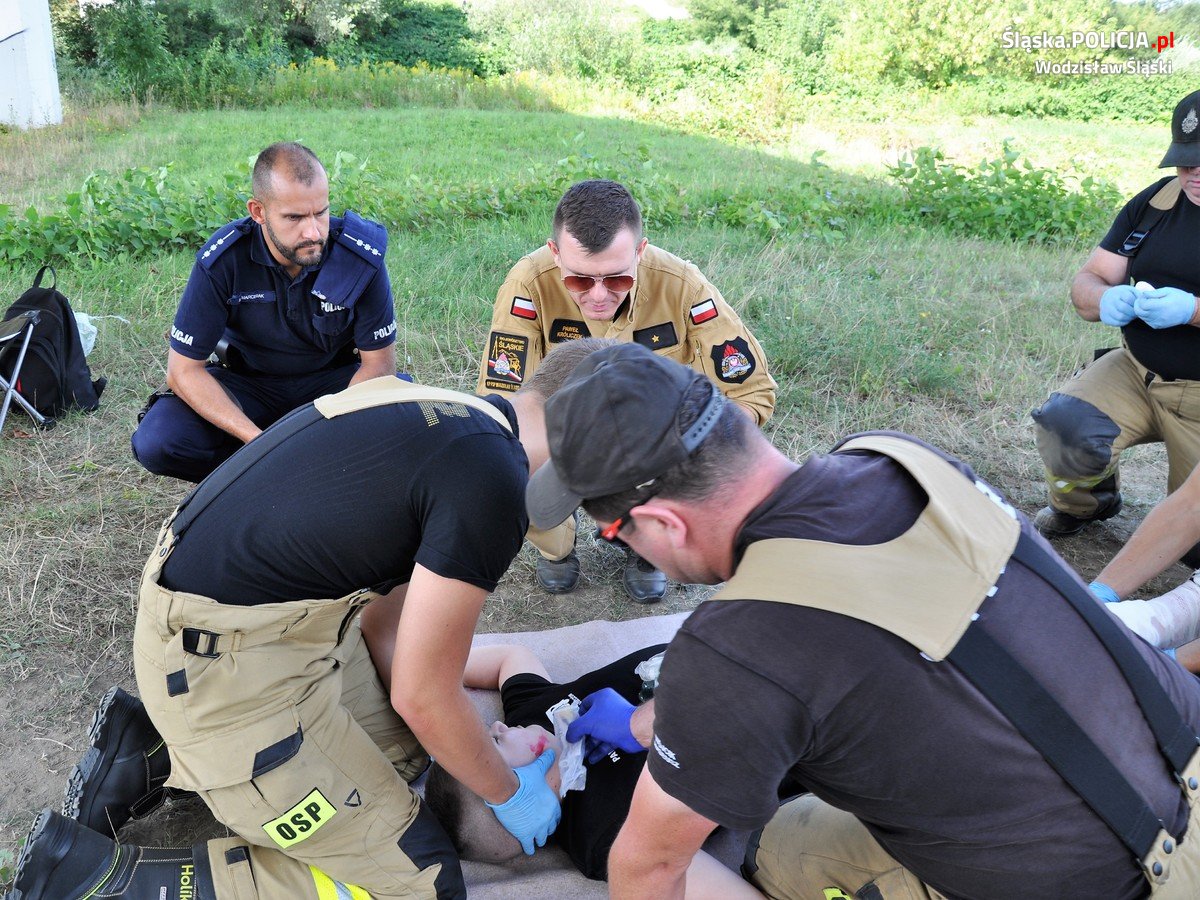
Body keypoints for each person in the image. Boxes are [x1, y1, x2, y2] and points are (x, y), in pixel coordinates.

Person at [526, 342, 1200, 900]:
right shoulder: (902, 459)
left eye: (615, 533)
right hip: (1182, 763)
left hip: (1103, 884)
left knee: (779, 853)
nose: (628, 549)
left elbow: (648, 867)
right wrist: (650, 722)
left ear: (664, 522)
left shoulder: (735, 646)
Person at [7, 340, 609, 900]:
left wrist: (437, 717)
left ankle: (148, 748)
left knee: (402, 754)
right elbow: (425, 695)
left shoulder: (447, 412)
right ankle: (108, 880)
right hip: (223, 666)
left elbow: (386, 630)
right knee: (417, 878)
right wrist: (509, 791)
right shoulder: (494, 482)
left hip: (232, 628)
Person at [477, 178, 776, 603]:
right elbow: (504, 401)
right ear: (555, 252)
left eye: (617, 279)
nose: (599, 296)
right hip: (568, 428)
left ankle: (648, 553)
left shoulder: (682, 284)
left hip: (652, 436)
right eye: (580, 281)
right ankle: (556, 546)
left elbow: (750, 391)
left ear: (640, 251)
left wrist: (686, 453)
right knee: (511, 455)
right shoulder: (529, 282)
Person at [131, 141, 399, 483]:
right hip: (248, 387)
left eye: (320, 212)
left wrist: (324, 428)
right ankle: (253, 479)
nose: (313, 232)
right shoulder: (224, 260)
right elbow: (183, 371)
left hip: (333, 385)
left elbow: (378, 365)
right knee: (160, 440)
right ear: (258, 212)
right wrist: (259, 443)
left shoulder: (358, 256)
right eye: (294, 217)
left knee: (408, 416)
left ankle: (317, 473)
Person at [421, 642, 761, 898]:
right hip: (768, 712)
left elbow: (509, 658)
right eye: (495, 742)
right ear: (519, 793)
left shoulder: (529, 717)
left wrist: (423, 673)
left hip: (727, 643)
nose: (497, 725)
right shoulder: (607, 836)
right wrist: (641, 723)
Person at [1031, 90, 1200, 558]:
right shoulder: (1156, 202)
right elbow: (1089, 281)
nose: (1194, 174)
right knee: (1066, 424)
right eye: (1186, 161)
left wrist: (1192, 311)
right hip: (1137, 371)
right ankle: (1086, 506)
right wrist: (1105, 298)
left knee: (1190, 547)